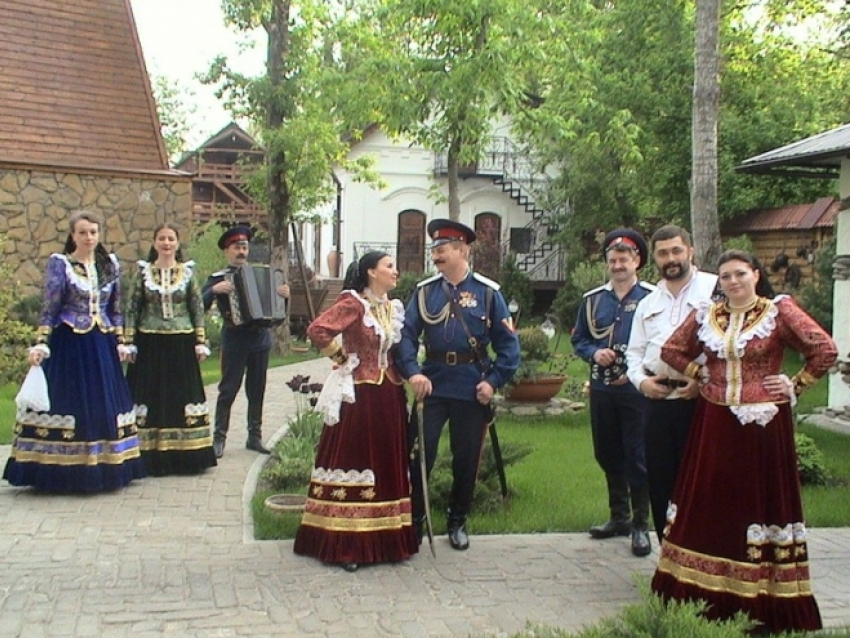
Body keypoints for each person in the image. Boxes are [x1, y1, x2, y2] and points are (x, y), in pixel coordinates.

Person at [652, 249, 836, 633]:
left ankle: (761, 603)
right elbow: (671, 349)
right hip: (714, 423)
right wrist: (699, 376)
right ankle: (698, 595)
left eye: (739, 274)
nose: (732, 282)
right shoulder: (708, 314)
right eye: (725, 276)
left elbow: (824, 350)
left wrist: (794, 384)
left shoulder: (779, 312)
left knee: (755, 504)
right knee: (711, 503)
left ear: (756, 274)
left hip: (762, 426)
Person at [396, 219, 520, 551]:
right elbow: (405, 337)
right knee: (419, 455)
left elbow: (509, 348)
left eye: (442, 249)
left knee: (466, 459)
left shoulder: (488, 293)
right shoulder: (425, 292)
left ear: (462, 250)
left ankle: (457, 520)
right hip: (431, 386)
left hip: (470, 387)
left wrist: (493, 382)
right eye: (434, 249)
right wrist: (412, 373)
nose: (435, 255)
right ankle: (416, 521)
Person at [3, 210, 146, 492]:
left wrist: (120, 342)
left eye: (93, 232)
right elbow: (50, 306)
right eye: (82, 232)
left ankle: (105, 466)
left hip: (101, 344)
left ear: (98, 234)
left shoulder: (109, 267)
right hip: (71, 344)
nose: (88, 237)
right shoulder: (62, 265)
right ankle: (62, 470)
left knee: (102, 405)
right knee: (71, 404)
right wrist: (41, 341)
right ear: (73, 236)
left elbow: (115, 309)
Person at [293, 251, 419, 572]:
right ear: (371, 272)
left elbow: (393, 350)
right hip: (360, 396)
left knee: (387, 461)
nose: (396, 271)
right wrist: (341, 358)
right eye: (390, 266)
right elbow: (317, 329)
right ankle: (347, 542)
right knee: (357, 457)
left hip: (388, 394)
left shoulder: (392, 307)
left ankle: (388, 538)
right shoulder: (354, 304)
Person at [625, 225, 718, 543]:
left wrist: (704, 382)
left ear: (691, 251)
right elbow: (634, 354)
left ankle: (702, 550)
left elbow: (732, 347)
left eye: (677, 251)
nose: (671, 258)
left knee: (704, 478)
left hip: (703, 402)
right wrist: (642, 384)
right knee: (661, 477)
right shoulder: (647, 303)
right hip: (658, 401)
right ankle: (669, 553)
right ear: (655, 258)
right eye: (663, 253)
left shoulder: (715, 291)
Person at [571, 228, 655, 557]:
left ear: (637, 261)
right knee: (606, 452)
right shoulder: (593, 300)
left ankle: (640, 525)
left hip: (637, 390)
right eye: (612, 260)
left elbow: (661, 341)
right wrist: (594, 353)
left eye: (624, 259)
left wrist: (637, 371)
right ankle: (618, 517)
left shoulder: (652, 298)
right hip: (603, 388)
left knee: (637, 455)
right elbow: (578, 338)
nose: (618, 265)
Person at [124, 223, 217, 476]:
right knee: (150, 395)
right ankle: (148, 454)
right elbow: (132, 308)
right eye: (162, 239)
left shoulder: (186, 273)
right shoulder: (143, 273)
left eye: (171, 239)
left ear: (177, 243)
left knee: (180, 395)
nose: (166, 243)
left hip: (181, 341)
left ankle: (186, 455)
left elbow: (197, 307)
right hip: (150, 341)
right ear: (155, 243)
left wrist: (200, 340)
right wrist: (128, 341)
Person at [202, 226, 289, 458]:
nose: (241, 251)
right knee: (228, 389)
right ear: (226, 251)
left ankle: (255, 436)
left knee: (257, 389)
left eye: (244, 247)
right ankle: (219, 438)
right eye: (236, 247)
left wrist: (283, 297)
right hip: (235, 339)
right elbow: (198, 304)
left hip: (260, 339)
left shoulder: (265, 275)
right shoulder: (217, 278)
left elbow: (277, 313)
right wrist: (213, 291)